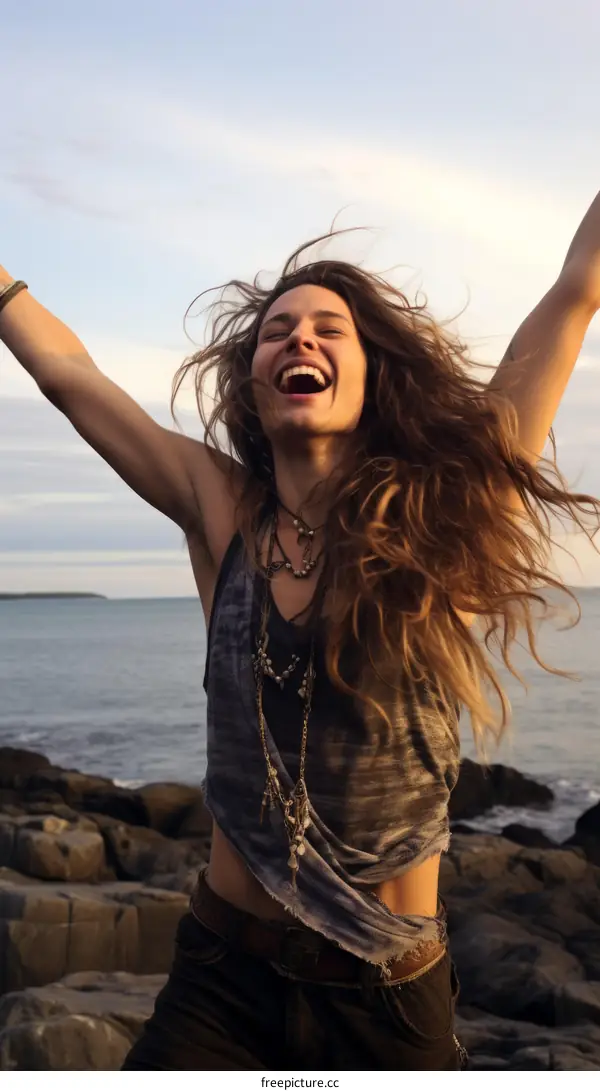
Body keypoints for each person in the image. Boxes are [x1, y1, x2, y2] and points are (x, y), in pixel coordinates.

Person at [2, 192, 600, 1072]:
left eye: (329, 328)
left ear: (370, 374)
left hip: (387, 995)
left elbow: (569, 299)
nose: (300, 340)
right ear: (254, 378)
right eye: (277, 331)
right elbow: (73, 379)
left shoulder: (442, 518)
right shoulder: (223, 512)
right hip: (220, 979)